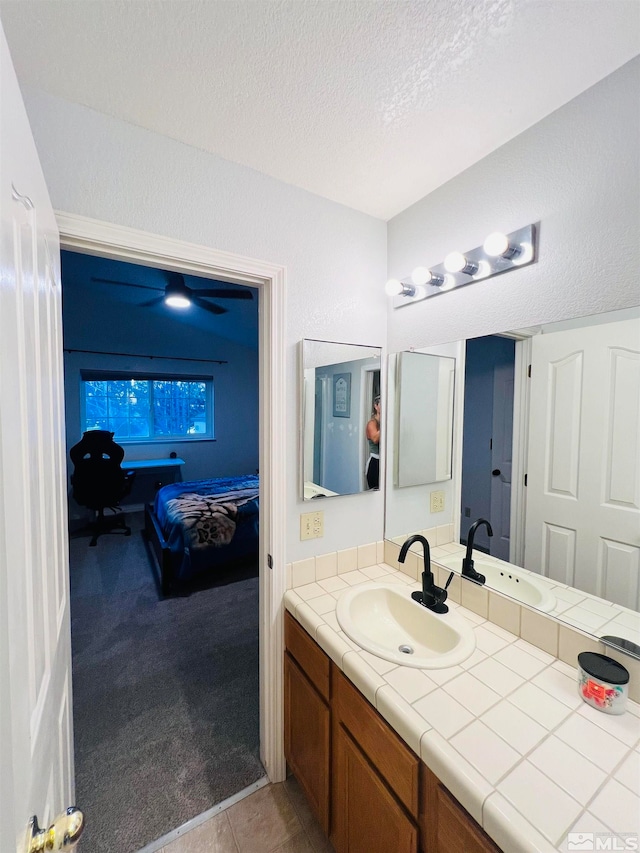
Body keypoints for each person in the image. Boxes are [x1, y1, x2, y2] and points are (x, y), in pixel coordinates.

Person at [365, 395, 381, 489]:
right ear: (376, 406)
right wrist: (385, 422)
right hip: (374, 463)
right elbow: (375, 439)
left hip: (385, 462)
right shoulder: (372, 423)